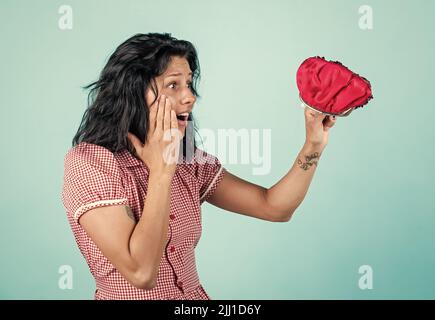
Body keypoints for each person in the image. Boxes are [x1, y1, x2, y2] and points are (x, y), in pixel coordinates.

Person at [61, 32, 337, 300]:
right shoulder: (90, 164)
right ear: (133, 93)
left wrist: (312, 146)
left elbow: (274, 207)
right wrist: (161, 173)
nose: (190, 97)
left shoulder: (189, 160)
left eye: (189, 84)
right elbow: (141, 272)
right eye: (173, 85)